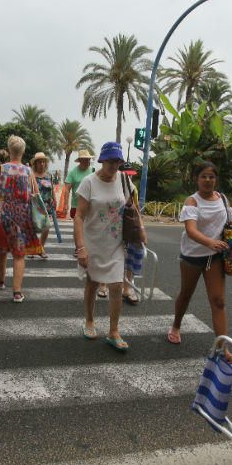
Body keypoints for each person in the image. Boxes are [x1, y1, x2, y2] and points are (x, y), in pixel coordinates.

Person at [166, 162, 232, 364]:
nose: (207, 180)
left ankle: (223, 351)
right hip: (192, 256)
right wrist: (210, 242)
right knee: (186, 294)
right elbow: (191, 230)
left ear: (216, 179)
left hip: (215, 258)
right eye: (203, 176)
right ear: (197, 179)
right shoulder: (192, 202)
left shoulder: (222, 199)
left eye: (211, 177)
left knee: (218, 301)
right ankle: (176, 325)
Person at [74, 142, 145, 352]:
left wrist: (141, 229)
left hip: (115, 244)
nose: (114, 165)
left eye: (117, 161)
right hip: (92, 242)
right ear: (102, 160)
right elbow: (78, 217)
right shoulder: (88, 183)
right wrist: (81, 247)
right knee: (93, 283)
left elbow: (134, 207)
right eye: (110, 160)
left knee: (115, 286)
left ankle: (113, 331)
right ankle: (89, 321)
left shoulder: (124, 180)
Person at [0, 135, 42, 302]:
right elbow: (36, 195)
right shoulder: (28, 171)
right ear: (23, 152)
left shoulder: (0, 169)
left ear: (9, 150)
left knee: (1, 249)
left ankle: (1, 281)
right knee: (18, 254)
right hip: (21, 216)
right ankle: (17, 292)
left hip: (0, 215)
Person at [30, 152, 55, 259]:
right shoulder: (31, 175)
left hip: (47, 204)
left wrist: (54, 199)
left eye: (43, 162)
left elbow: (52, 188)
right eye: (39, 162)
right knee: (33, 227)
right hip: (35, 204)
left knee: (46, 227)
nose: (42, 164)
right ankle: (33, 248)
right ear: (35, 164)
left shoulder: (48, 175)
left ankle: (40, 248)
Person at [63, 149, 93, 219]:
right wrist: (65, 204)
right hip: (76, 205)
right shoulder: (73, 172)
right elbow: (67, 189)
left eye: (88, 159)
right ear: (80, 160)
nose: (88, 161)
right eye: (85, 159)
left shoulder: (93, 171)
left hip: (90, 205)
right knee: (78, 227)